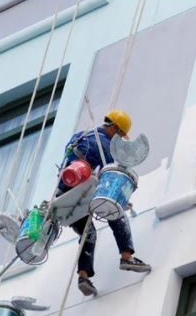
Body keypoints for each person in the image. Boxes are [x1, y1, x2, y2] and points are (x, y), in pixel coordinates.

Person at [56, 110, 151, 296]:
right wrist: (121, 199)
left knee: (88, 233)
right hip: (84, 189)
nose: (119, 139)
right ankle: (127, 257)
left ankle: (83, 277)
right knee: (115, 212)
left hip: (64, 193)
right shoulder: (105, 145)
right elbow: (109, 175)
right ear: (114, 128)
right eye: (120, 135)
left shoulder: (81, 136)